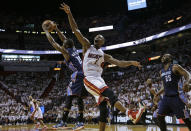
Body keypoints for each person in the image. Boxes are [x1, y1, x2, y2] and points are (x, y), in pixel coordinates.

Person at [60, 3, 145, 131]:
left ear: (103, 42)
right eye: (96, 35)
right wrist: (69, 13)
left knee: (104, 107)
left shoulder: (104, 55)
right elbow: (75, 30)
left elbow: (119, 62)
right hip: (89, 79)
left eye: (100, 36)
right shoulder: (87, 46)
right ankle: (130, 114)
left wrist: (131, 62)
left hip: (99, 79)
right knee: (109, 92)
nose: (98, 36)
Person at [42, 22, 88, 130]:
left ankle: (63, 121)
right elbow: (64, 39)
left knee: (69, 97)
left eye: (63, 44)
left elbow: (53, 43)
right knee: (79, 98)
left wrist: (46, 31)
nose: (62, 44)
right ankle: (80, 121)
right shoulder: (73, 48)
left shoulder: (66, 53)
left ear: (65, 46)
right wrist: (57, 28)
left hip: (77, 75)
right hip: (83, 74)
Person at [154, 54, 191, 131]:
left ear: (170, 59)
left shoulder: (175, 67)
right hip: (166, 98)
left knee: (185, 119)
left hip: (176, 97)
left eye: (166, 56)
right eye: (163, 56)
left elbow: (188, 74)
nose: (164, 57)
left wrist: (187, 82)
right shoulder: (161, 72)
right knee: (159, 116)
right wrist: (157, 93)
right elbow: (164, 86)